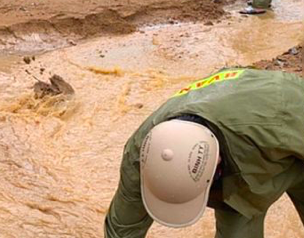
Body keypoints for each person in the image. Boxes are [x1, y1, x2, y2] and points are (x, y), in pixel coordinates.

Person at [105, 68, 304, 238]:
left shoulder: (278, 119)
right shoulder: (141, 155)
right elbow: (122, 230)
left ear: (217, 162)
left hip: (282, 126)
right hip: (239, 151)